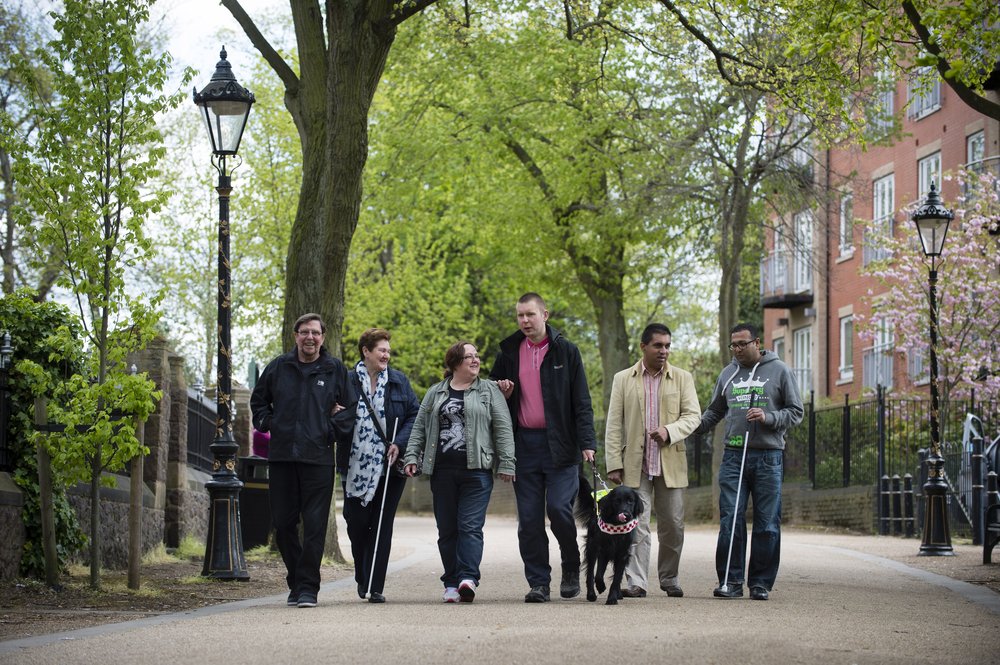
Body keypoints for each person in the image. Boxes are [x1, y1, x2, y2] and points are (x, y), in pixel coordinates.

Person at [490, 293, 596, 603]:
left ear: (544, 315)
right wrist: (503, 392)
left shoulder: (566, 351)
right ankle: (538, 582)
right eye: (520, 315)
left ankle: (570, 564)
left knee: (559, 509)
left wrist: (588, 443)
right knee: (530, 518)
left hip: (561, 445)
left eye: (530, 315)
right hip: (524, 445)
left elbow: (582, 402)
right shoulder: (508, 353)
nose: (524, 321)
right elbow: (492, 398)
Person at [250, 313, 357, 608]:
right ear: (295, 335)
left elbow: (350, 408)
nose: (310, 337)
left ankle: (308, 587)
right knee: (283, 523)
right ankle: (296, 580)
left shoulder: (334, 369)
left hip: (318, 459)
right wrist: (271, 422)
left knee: (314, 525)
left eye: (316, 333)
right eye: (304, 332)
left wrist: (329, 431)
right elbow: (258, 401)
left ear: (323, 337)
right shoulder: (278, 367)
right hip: (282, 457)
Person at [695, 323, 803, 601]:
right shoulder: (728, 374)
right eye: (734, 345)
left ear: (757, 342)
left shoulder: (780, 371)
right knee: (731, 518)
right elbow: (715, 411)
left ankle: (760, 583)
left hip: (768, 456)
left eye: (743, 344)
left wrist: (769, 418)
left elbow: (796, 411)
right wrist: (691, 427)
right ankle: (730, 581)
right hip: (733, 455)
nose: (738, 350)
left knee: (767, 522)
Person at [402, 341, 515, 603]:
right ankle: (451, 582)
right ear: (455, 363)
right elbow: (419, 428)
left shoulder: (489, 390)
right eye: (469, 357)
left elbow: (503, 428)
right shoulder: (435, 392)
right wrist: (411, 456)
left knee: (470, 526)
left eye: (477, 356)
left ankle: (468, 578)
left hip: (477, 471)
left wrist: (507, 463)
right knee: (447, 529)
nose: (475, 360)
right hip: (441, 471)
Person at [604, 323, 701, 599]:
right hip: (636, 464)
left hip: (671, 463)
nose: (664, 351)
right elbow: (614, 423)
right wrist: (614, 462)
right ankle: (636, 582)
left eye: (668, 345)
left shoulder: (683, 378)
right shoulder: (623, 378)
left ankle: (669, 578)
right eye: (658, 345)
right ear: (643, 347)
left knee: (673, 525)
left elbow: (694, 416)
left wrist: (669, 431)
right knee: (637, 525)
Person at [339, 328, 420, 604]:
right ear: (366, 351)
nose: (386, 354)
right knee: (356, 523)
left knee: (382, 524)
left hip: (389, 464)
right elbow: (333, 411)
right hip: (354, 464)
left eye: (388, 350)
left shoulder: (398, 381)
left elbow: (414, 413)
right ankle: (363, 572)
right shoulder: (346, 380)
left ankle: (375, 585)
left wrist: (400, 441)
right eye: (381, 350)